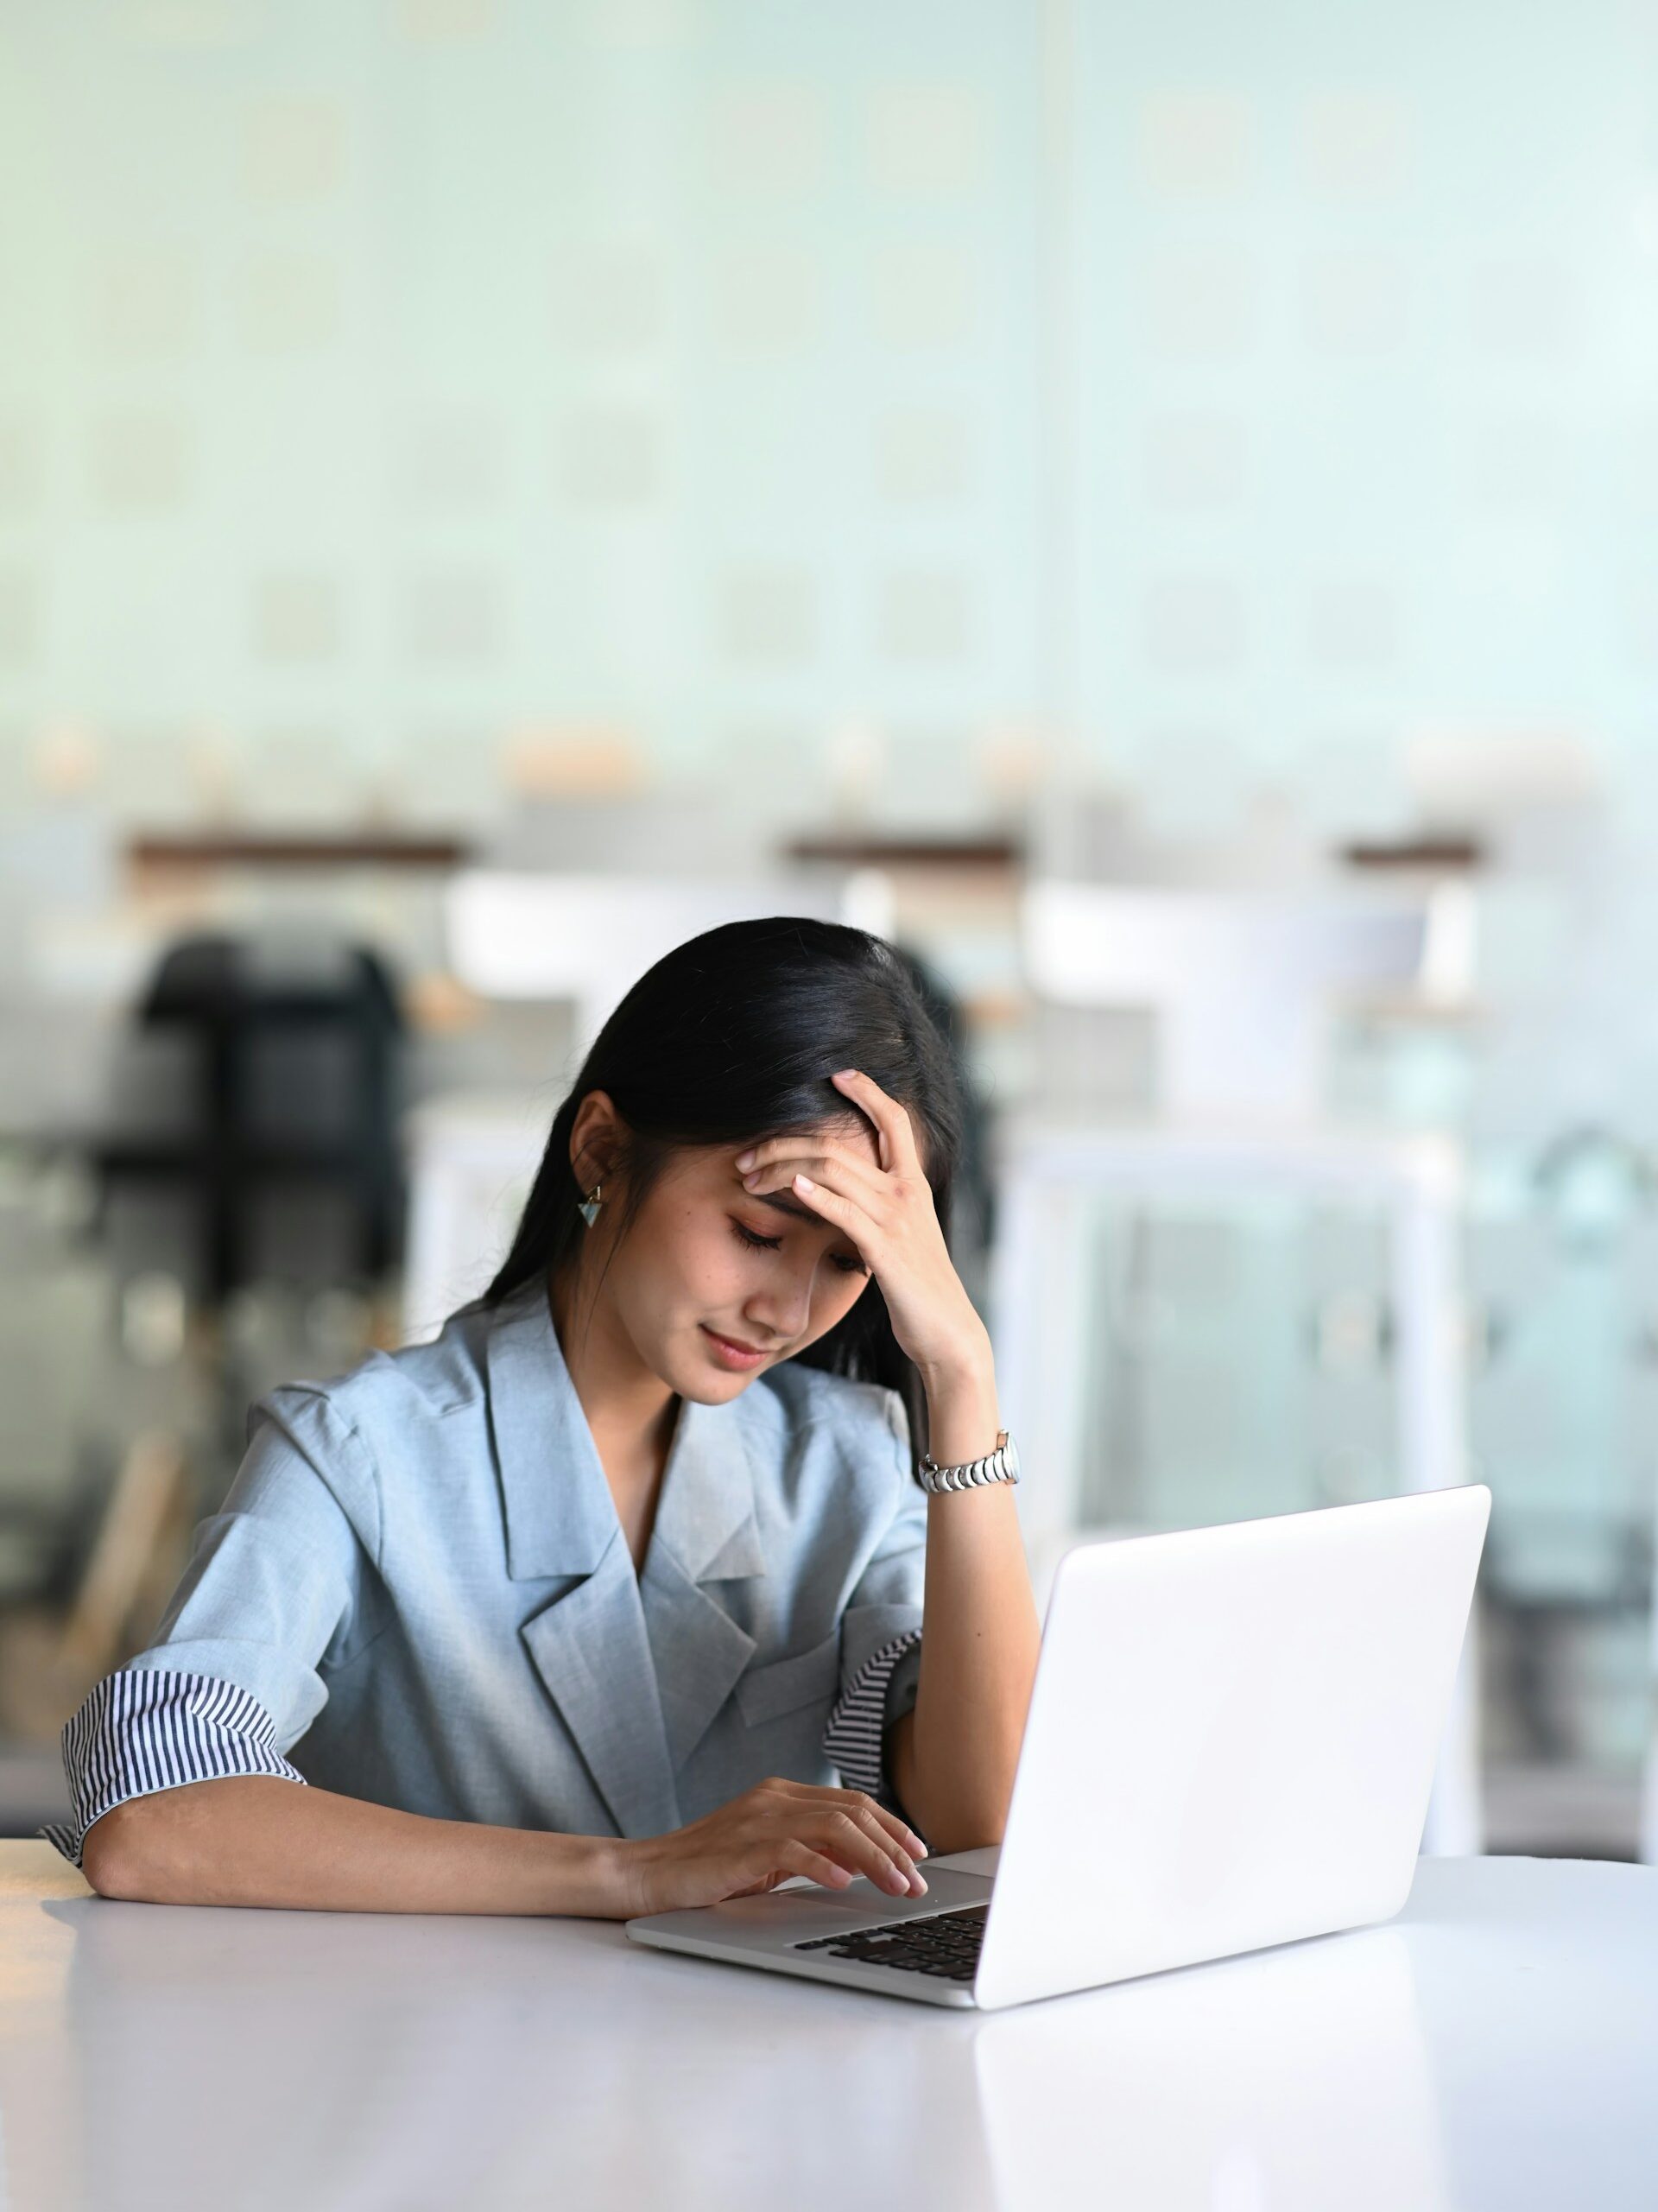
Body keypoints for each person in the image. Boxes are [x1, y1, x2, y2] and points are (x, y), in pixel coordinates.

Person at [47, 918, 1041, 1918]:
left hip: (744, 2060)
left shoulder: (847, 1459)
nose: (785, 1309)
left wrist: (963, 1379)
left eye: (846, 1262)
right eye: (758, 1232)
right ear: (602, 1149)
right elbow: (151, 1812)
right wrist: (632, 1870)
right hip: (429, 2057)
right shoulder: (361, 1452)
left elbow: (983, 1821)